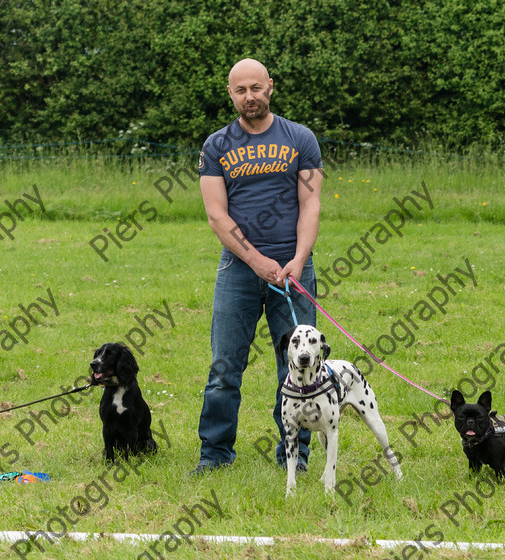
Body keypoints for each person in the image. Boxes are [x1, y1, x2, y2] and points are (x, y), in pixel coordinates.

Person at [193, 58, 323, 474]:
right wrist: (256, 260)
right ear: (230, 94)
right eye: (240, 91)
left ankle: (294, 456)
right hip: (238, 270)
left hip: (294, 270)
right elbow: (217, 216)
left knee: (299, 368)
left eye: (256, 87)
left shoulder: (301, 138)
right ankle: (214, 456)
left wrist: (298, 261)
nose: (249, 97)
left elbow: (310, 204)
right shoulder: (216, 146)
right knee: (225, 367)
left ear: (270, 86)